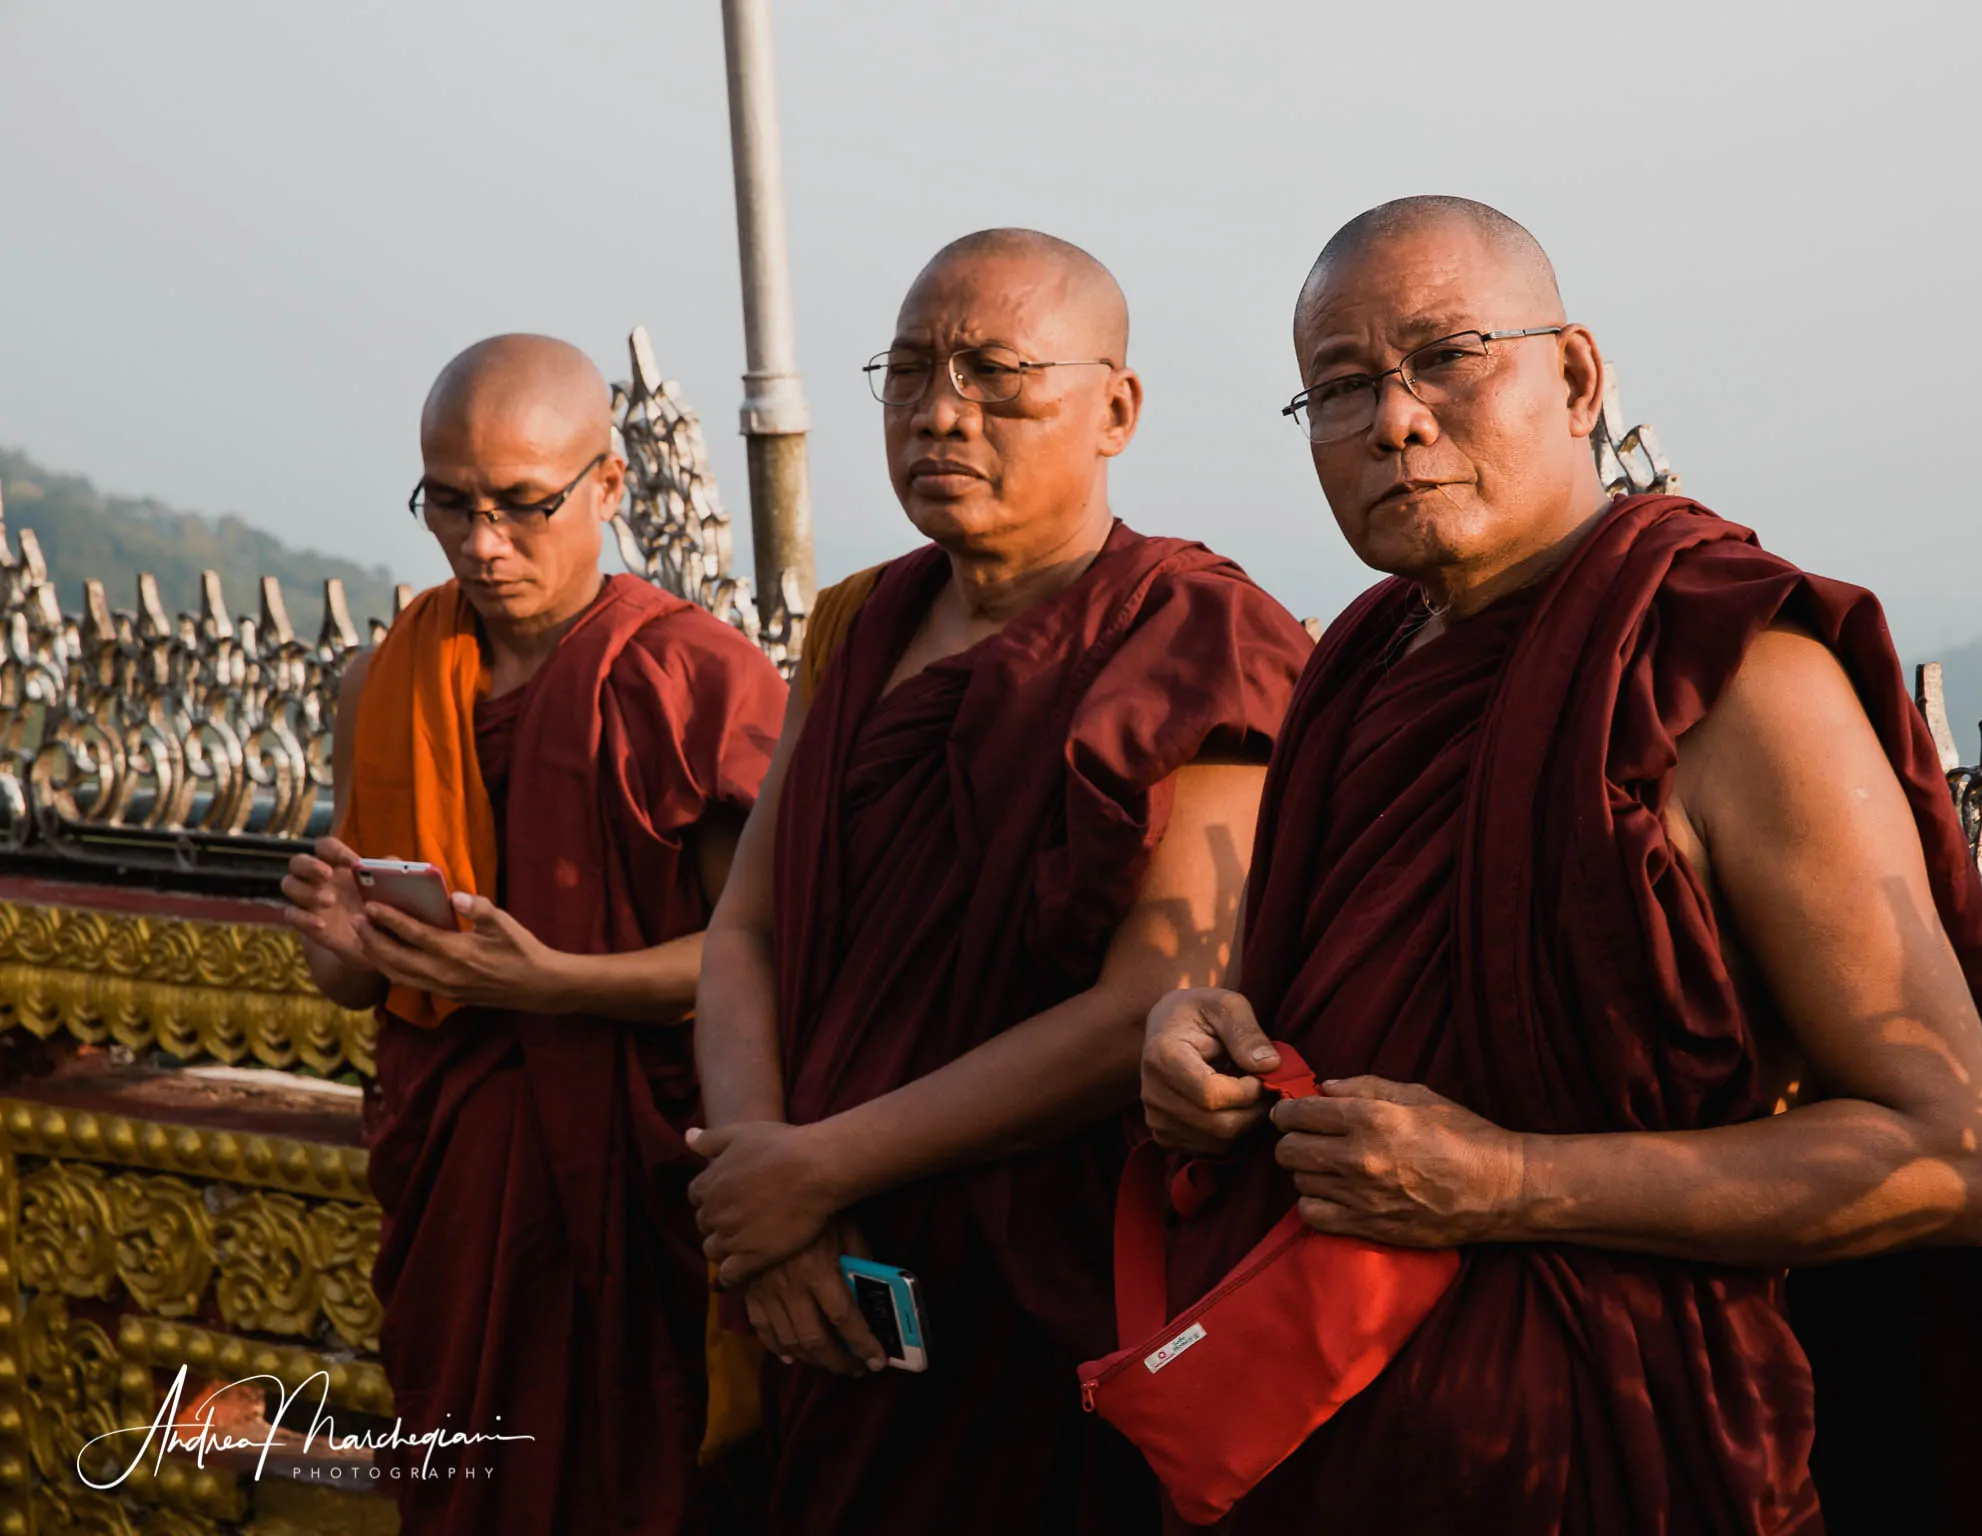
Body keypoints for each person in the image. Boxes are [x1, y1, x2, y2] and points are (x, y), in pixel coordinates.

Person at [1140, 198, 1982, 1535]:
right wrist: (1204, 1037)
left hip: (1623, 1450)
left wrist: (1504, 1185)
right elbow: (1337, 1014)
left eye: (1448, 357)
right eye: (1339, 386)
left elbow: (1951, 1160)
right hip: (1330, 1434)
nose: (1394, 419)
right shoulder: (1358, 669)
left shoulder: (1718, 672)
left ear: (1576, 375)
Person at [686, 229, 1312, 1534]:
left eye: (995, 373)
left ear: (1115, 409)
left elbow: (1155, 995)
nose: (939, 414)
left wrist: (815, 1170)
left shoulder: (1197, 636)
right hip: (831, 1269)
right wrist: (763, 1188)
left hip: (1050, 1284)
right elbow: (741, 930)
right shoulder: (860, 620)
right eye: (908, 374)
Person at [280, 334, 786, 1535]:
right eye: (448, 506)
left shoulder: (689, 679)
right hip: (457, 1165)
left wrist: (551, 982)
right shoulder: (391, 679)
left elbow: (764, 952)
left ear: (608, 487)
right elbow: (357, 986)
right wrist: (345, 945)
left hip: (640, 1169)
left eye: (522, 506)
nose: (482, 544)